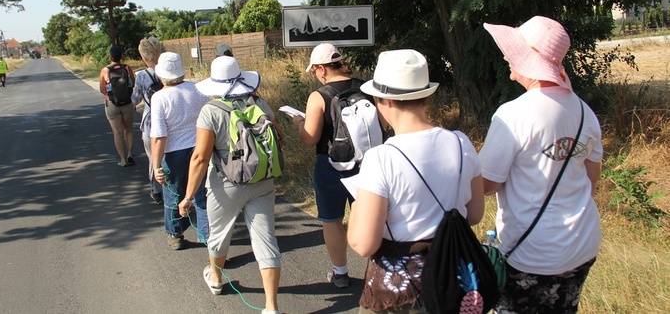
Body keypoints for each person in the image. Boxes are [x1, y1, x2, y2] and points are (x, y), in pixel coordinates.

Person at [479, 16, 602, 313]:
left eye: (513, 52)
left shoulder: (513, 115)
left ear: (529, 60)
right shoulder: (584, 111)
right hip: (582, 243)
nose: (507, 57)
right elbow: (591, 177)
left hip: (532, 252)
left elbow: (486, 184)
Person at [345, 49, 484, 313]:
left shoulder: (381, 158)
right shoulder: (461, 142)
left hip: (403, 292)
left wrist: (358, 208)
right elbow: (475, 214)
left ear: (383, 100)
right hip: (454, 279)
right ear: (425, 96)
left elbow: (364, 244)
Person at [179, 56, 283, 314]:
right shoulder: (259, 102)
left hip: (226, 184)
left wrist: (188, 196)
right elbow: (278, 138)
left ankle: (216, 279)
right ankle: (271, 307)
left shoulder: (211, 111)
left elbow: (201, 157)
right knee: (266, 240)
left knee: (219, 233)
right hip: (262, 180)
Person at [292, 43, 366, 288]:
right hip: (367, 165)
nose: (315, 75)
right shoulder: (366, 88)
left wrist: (299, 124)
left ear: (322, 69)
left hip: (330, 164)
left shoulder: (319, 96)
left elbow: (310, 138)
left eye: (314, 71)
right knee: (370, 217)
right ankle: (376, 271)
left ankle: (341, 273)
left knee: (332, 220)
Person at [150, 51, 209, 250]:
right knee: (201, 194)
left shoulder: (159, 98)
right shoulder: (198, 89)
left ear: (161, 74)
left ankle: (175, 234)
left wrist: (156, 165)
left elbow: (159, 136)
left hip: (173, 152)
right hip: (200, 147)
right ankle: (207, 236)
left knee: (173, 192)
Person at [131, 36, 164, 204]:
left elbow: (135, 99)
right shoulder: (167, 71)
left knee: (153, 157)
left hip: (151, 120)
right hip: (168, 118)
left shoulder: (142, 76)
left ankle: (156, 189)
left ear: (144, 56)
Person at [99, 45, 136, 167]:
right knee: (129, 129)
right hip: (127, 103)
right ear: (121, 56)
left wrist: (108, 96)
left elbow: (102, 88)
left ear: (110, 56)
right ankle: (130, 153)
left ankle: (122, 160)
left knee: (117, 132)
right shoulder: (126, 68)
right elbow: (133, 83)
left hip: (112, 104)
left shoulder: (105, 70)